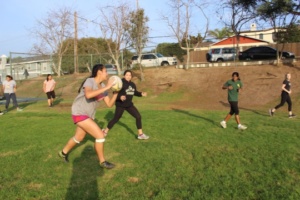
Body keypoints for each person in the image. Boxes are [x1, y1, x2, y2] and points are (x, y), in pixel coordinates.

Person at [58, 64, 119, 169]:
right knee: (100, 136)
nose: (107, 74)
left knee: (79, 137)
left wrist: (115, 93)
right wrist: (109, 87)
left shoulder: (103, 87)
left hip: (88, 115)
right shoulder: (90, 81)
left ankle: (63, 153)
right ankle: (102, 162)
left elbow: (109, 104)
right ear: (99, 72)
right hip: (79, 112)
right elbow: (88, 95)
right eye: (105, 71)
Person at [102, 70, 149, 140]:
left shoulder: (132, 84)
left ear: (131, 76)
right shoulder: (120, 82)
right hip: (120, 105)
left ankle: (140, 134)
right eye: (127, 75)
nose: (128, 76)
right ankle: (105, 131)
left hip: (129, 105)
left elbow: (134, 92)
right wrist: (120, 97)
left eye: (130, 75)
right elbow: (114, 93)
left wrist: (141, 94)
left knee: (138, 117)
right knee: (115, 119)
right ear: (124, 75)